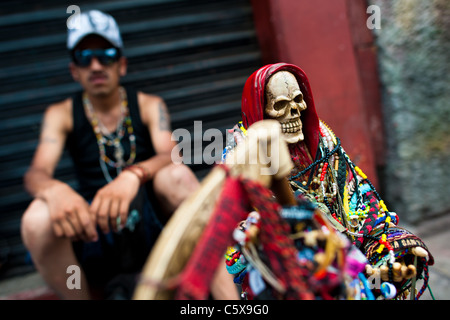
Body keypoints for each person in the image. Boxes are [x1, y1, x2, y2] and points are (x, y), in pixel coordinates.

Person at [20, 10, 200, 300]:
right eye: (84, 57)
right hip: (92, 230)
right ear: (74, 70)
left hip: (149, 224)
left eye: (105, 54)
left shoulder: (148, 105)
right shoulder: (61, 114)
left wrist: (133, 176)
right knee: (37, 218)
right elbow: (35, 173)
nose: (95, 65)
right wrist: (54, 190)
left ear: (122, 64)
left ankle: (221, 296)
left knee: (177, 176)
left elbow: (172, 154)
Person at [222, 63, 434, 300]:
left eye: (298, 101)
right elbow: (234, 254)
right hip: (293, 270)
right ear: (260, 112)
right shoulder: (241, 160)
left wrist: (381, 256)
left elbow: (362, 203)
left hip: (346, 253)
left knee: (402, 253)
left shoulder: (325, 144)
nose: (295, 112)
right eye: (280, 106)